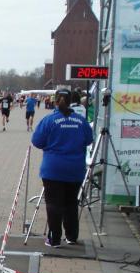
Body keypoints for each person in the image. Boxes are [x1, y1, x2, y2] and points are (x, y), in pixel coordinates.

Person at [31, 89, 94, 248]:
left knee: (53, 204)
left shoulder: (49, 120)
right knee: (71, 203)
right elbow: (89, 140)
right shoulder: (80, 120)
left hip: (53, 168)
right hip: (75, 168)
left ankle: (54, 238)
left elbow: (37, 141)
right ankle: (72, 236)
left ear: (55, 101)